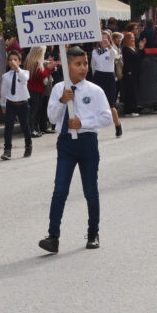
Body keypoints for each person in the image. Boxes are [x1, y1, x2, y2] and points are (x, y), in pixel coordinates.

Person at [38, 46, 112, 253]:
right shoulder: (59, 88)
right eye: (77, 64)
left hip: (87, 142)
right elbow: (52, 118)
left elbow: (106, 117)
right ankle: (53, 236)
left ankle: (93, 232)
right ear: (67, 66)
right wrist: (62, 101)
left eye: (85, 63)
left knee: (90, 190)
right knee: (60, 190)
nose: (83, 68)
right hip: (66, 144)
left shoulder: (95, 90)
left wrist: (83, 123)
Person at [0, 50, 32, 160]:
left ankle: (28, 145)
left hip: (23, 104)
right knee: (8, 127)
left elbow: (24, 80)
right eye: (10, 60)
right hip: (11, 104)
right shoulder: (6, 76)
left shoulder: (25, 72)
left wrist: (17, 69)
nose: (12, 62)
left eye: (15, 60)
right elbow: (3, 91)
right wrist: (3, 105)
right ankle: (7, 150)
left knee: (25, 126)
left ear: (19, 61)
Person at [90, 31, 123, 137]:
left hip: (109, 77)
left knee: (110, 105)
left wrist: (109, 46)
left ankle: (118, 125)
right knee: (95, 104)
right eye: (102, 38)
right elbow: (93, 66)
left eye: (106, 38)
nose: (104, 40)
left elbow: (115, 55)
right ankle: (94, 128)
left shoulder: (112, 50)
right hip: (98, 76)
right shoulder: (95, 52)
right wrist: (94, 78)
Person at [25, 46, 57, 138]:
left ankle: (35, 129)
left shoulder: (31, 61)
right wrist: (49, 68)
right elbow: (41, 75)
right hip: (35, 89)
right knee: (33, 111)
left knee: (35, 110)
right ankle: (31, 130)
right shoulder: (35, 62)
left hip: (35, 89)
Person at [121, 32, 144, 116]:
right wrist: (140, 49)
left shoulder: (135, 48)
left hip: (136, 73)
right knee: (130, 91)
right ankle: (129, 110)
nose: (132, 39)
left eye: (133, 37)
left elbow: (140, 57)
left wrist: (141, 49)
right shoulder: (126, 49)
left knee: (135, 91)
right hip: (129, 73)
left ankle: (134, 108)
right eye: (130, 38)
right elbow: (134, 57)